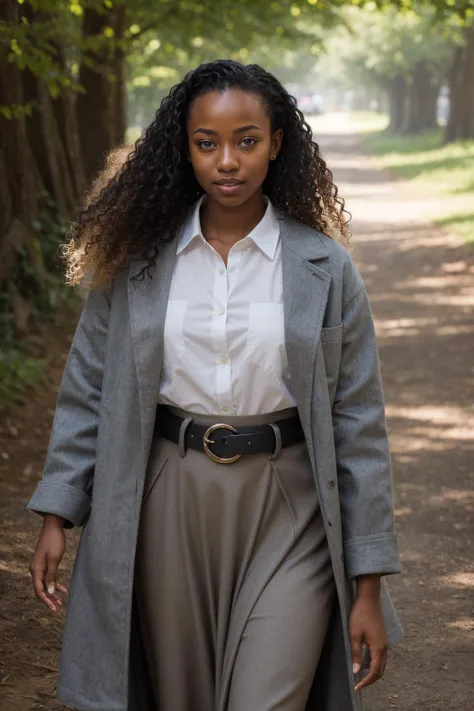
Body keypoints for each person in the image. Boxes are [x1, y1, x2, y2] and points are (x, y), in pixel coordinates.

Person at [27, 60, 403, 711]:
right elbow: (88, 387)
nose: (227, 160)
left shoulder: (324, 267)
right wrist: (59, 508)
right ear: (186, 148)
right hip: (166, 500)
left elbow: (358, 423)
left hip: (293, 507)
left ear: (277, 142)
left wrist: (367, 582)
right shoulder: (135, 262)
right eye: (208, 142)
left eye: (246, 140)